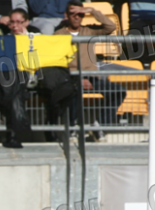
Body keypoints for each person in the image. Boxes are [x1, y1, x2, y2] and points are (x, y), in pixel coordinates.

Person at [55, 0, 126, 138]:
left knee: (119, 91)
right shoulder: (59, 34)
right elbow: (57, 61)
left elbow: (110, 26)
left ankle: (99, 126)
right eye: (72, 13)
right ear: (66, 15)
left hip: (92, 77)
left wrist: (92, 11)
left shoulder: (89, 31)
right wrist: (77, 79)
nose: (76, 17)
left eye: (80, 14)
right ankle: (72, 127)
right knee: (73, 90)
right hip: (71, 77)